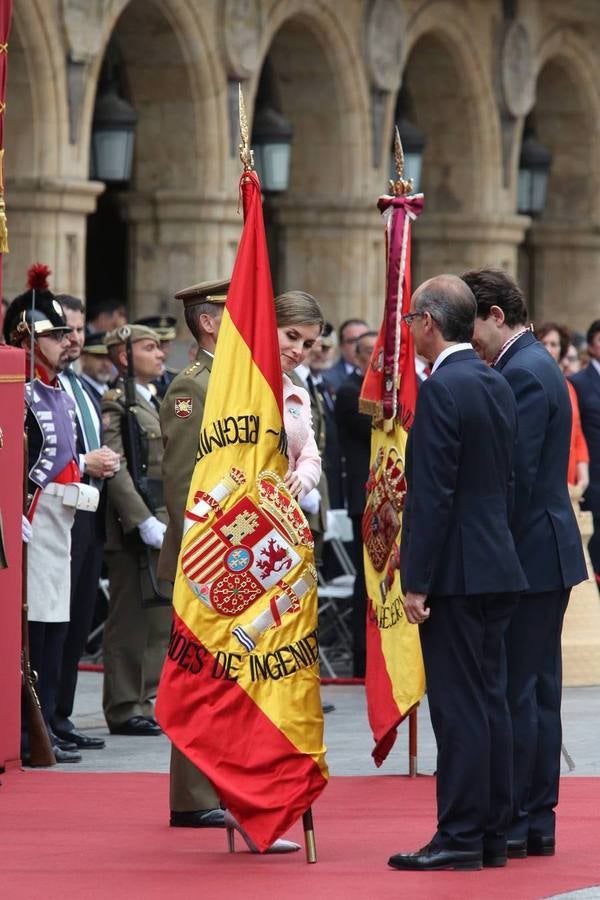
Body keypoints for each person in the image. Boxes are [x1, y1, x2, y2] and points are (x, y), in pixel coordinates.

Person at [388, 274, 527, 873]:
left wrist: (416, 580)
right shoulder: (494, 379)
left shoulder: (445, 387)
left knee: (458, 706)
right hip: (494, 563)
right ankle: (492, 831)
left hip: (459, 573)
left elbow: (435, 493)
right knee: (490, 701)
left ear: (427, 322)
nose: (406, 330)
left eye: (409, 320)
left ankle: (462, 833)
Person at [462, 267, 587, 859]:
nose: (471, 342)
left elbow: (513, 476)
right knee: (535, 692)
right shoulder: (530, 365)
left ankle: (521, 814)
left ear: (493, 314)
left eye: (473, 326)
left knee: (520, 691)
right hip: (544, 551)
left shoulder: (523, 373)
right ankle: (534, 819)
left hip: (530, 553)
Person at [4, 267, 97, 764]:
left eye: (66, 334)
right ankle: (26, 728)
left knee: (57, 621)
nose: (66, 342)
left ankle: (48, 723)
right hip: (34, 516)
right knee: (35, 624)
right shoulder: (21, 388)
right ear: (25, 336)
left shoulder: (57, 388)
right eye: (54, 334)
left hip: (62, 517)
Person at [157, 278, 227, 829]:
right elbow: (182, 484)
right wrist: (206, 558)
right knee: (199, 677)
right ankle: (192, 796)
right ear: (208, 322)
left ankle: (221, 782)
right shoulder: (193, 387)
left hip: (235, 552)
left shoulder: (232, 384)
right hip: (204, 558)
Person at [52, 295, 119, 750]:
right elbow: (45, 455)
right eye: (64, 332)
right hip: (58, 509)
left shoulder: (78, 386)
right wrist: (85, 461)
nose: (74, 339)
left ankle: (62, 715)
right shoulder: (44, 387)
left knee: (77, 621)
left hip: (91, 512)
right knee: (54, 621)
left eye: (76, 331)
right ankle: (43, 717)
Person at [101, 325, 172, 736]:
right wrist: (141, 519)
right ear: (125, 356)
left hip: (162, 519)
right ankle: (125, 705)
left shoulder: (154, 399)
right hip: (134, 527)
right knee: (130, 621)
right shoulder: (117, 404)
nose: (160, 354)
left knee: (159, 620)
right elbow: (117, 466)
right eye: (150, 348)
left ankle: (147, 699)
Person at [334, 331, 378, 677]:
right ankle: (363, 659)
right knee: (367, 581)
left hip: (391, 495)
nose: (377, 357)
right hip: (367, 498)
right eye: (370, 352)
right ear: (359, 356)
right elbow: (376, 427)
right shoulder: (351, 391)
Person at [535, 322, 589, 497]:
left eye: (554, 344)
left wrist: (583, 469)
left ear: (561, 350)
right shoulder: (532, 382)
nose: (548, 349)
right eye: (543, 343)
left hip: (571, 481)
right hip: (546, 480)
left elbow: (578, 432)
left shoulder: (569, 387)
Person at [134, 315, 178, 399]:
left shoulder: (176, 378)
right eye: (159, 343)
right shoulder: (139, 380)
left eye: (167, 343)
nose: (163, 350)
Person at [324, 318, 370, 393]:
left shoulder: (379, 375)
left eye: (364, 340)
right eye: (353, 341)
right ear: (341, 346)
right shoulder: (327, 377)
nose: (359, 346)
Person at [79, 332, 116, 401]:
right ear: (83, 358)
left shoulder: (114, 390)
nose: (106, 364)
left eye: (110, 358)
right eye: (99, 357)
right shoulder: (78, 390)